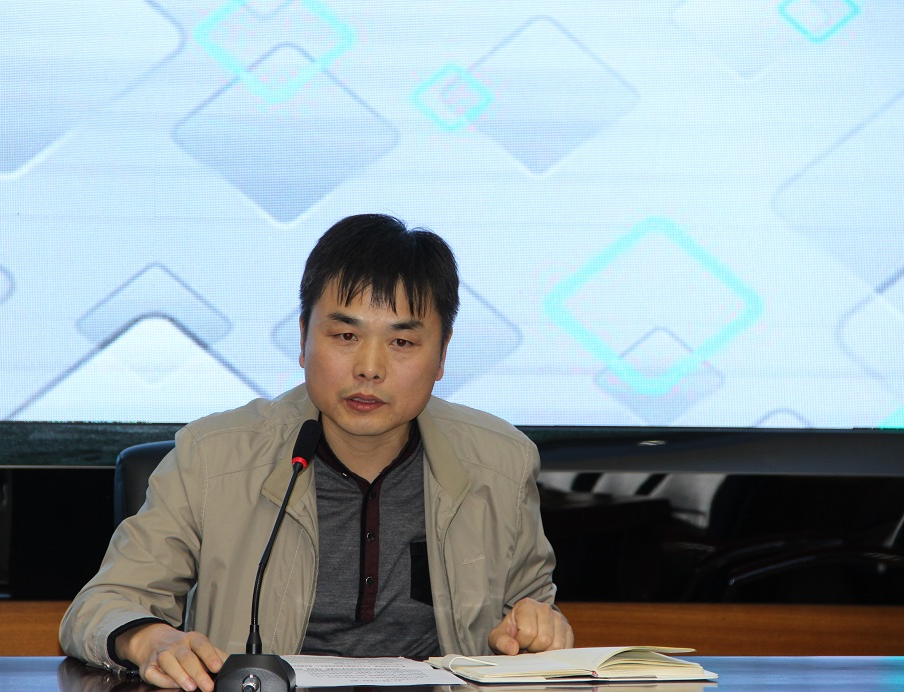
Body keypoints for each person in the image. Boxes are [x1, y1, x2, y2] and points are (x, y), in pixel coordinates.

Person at [60, 214, 573, 691]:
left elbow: (532, 612)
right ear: (304, 337)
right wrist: (150, 639)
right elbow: (103, 604)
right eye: (346, 335)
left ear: (442, 354)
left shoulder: (501, 463)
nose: (369, 368)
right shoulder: (212, 457)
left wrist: (537, 630)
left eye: (401, 343)